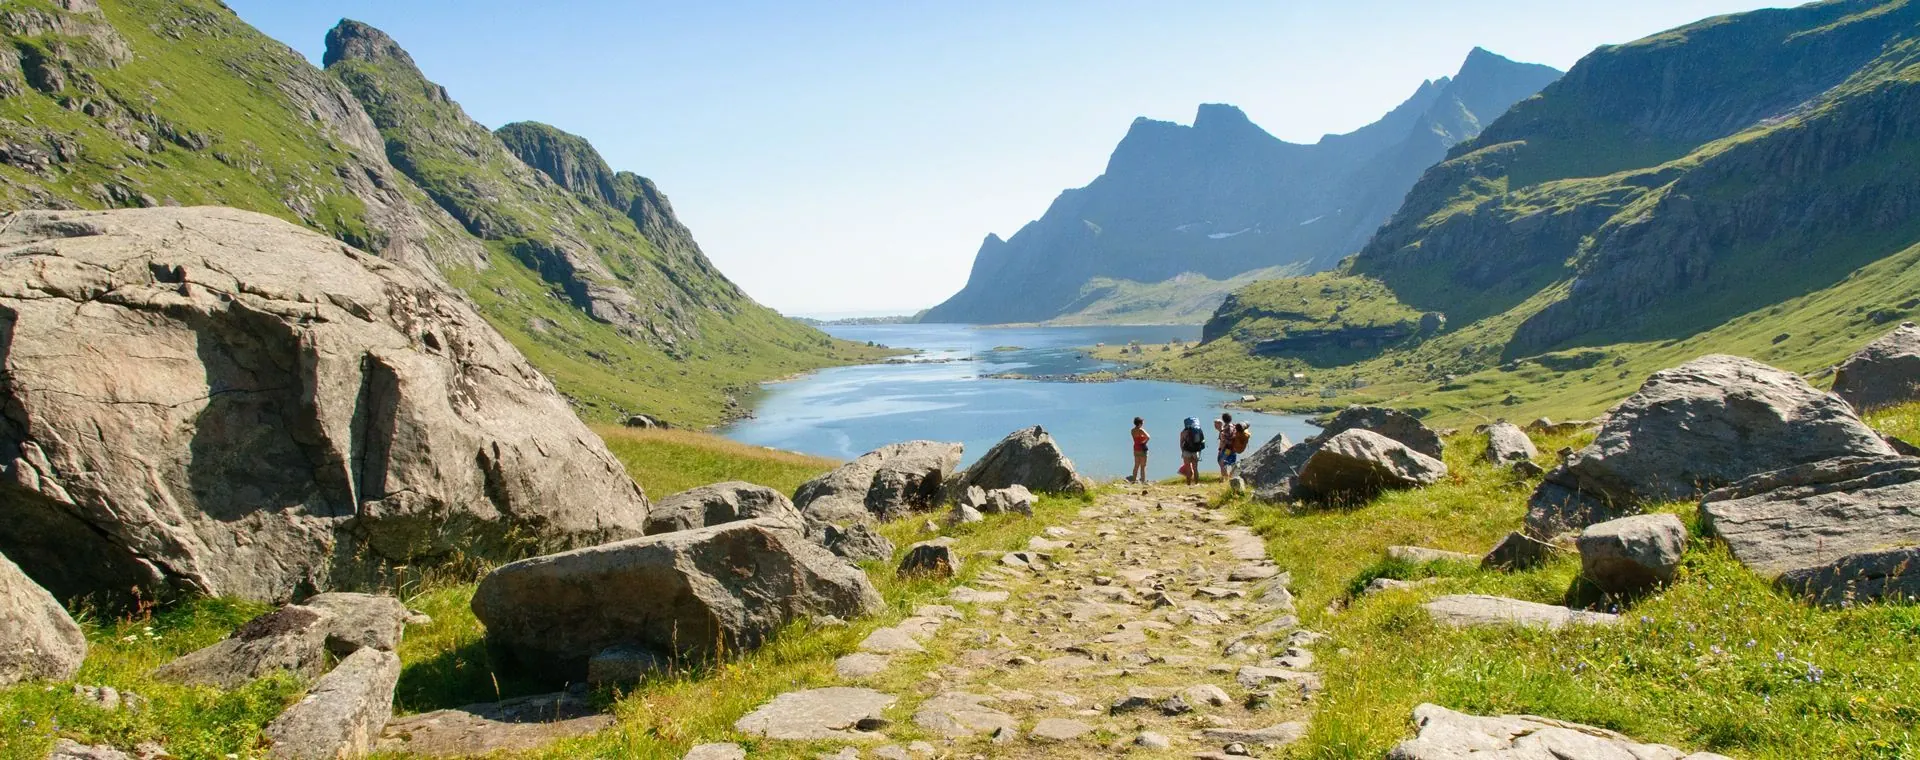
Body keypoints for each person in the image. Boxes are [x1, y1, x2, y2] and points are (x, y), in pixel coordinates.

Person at [1179, 417, 1206, 485]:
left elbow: (1181, 443)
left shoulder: (1183, 432)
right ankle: (1196, 483)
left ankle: (1188, 484)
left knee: (1188, 468)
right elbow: (1202, 441)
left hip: (1187, 452)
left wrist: (1182, 452)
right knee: (1195, 468)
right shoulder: (1199, 430)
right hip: (1196, 451)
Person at [1213, 412, 1236, 480]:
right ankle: (1227, 477)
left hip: (1227, 449)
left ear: (1223, 419)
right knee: (1228, 463)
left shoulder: (1225, 429)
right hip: (1233, 448)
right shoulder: (1233, 426)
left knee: (1221, 462)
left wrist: (1220, 450)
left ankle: (1225, 478)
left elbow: (1223, 441)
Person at [1129, 417, 1150, 484]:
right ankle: (1143, 481)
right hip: (1142, 448)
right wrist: (1144, 442)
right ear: (1140, 423)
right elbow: (1148, 437)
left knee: (1136, 465)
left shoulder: (1132, 430)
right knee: (1143, 466)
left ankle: (1133, 480)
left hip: (1136, 448)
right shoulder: (1141, 430)